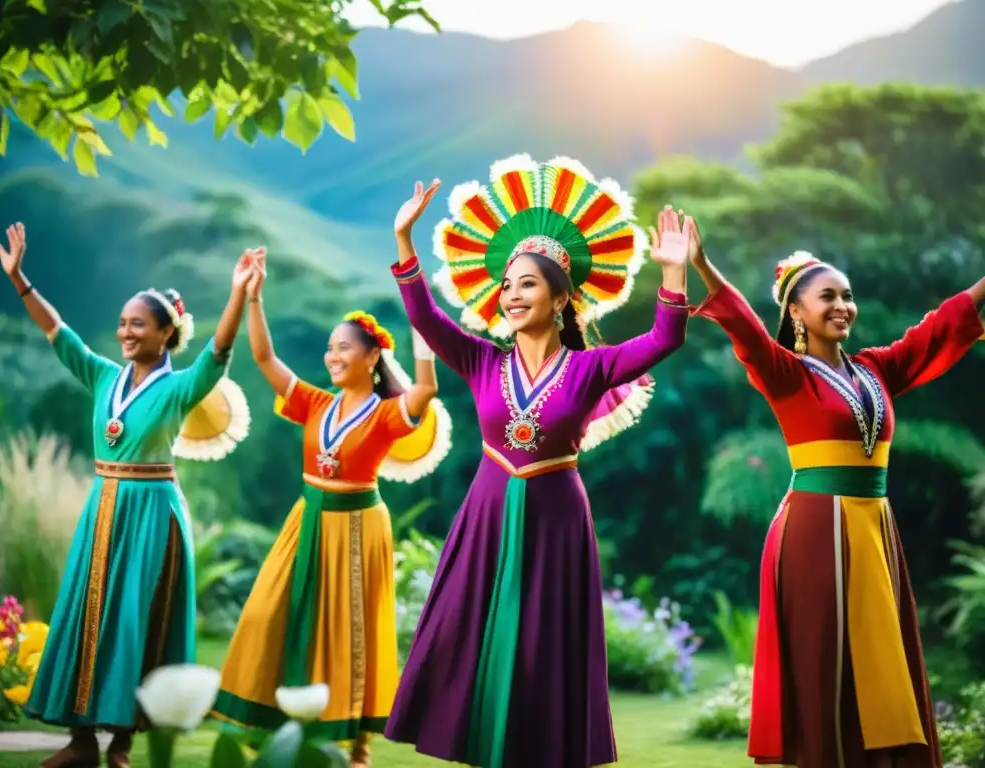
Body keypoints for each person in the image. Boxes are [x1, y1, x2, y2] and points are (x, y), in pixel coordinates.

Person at [384, 154, 690, 768]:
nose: (512, 293)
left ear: (560, 296)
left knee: (542, 648)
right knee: (473, 639)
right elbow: (424, 316)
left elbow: (664, 340)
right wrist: (403, 240)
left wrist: (675, 275)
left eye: (527, 282)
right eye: (506, 284)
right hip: (488, 516)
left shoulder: (590, 367)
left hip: (556, 519)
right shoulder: (479, 360)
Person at [683, 210, 985, 767]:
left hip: (874, 530)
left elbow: (935, 331)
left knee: (881, 656)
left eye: (847, 295)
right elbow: (745, 326)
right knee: (826, 660)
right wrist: (701, 265)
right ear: (796, 311)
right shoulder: (785, 373)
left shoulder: (876, 370)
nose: (843, 305)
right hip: (814, 531)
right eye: (828, 296)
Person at [0, 222, 255, 768]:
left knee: (138, 618)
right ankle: (81, 742)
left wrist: (236, 294)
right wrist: (20, 280)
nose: (126, 332)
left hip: (152, 513)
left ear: (167, 334)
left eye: (138, 324)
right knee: (88, 613)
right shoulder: (103, 376)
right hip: (103, 508)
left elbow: (221, 349)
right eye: (122, 323)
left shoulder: (181, 386)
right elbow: (58, 331)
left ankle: (123, 743)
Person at [210, 253, 452, 767]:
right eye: (329, 349)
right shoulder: (315, 403)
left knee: (353, 632)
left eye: (343, 348)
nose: (331, 356)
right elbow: (262, 358)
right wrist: (253, 296)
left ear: (371, 357)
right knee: (268, 613)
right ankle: (281, 725)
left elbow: (426, 390)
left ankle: (359, 745)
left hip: (360, 526)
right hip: (308, 520)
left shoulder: (388, 414)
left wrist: (423, 327)